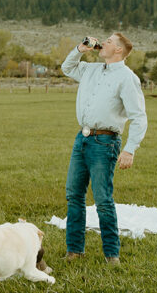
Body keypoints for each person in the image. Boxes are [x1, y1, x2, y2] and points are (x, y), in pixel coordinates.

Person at [61, 33, 147, 265]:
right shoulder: (92, 70)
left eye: (108, 41)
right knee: (74, 195)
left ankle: (112, 255)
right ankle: (74, 250)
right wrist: (80, 49)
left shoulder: (127, 78)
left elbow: (139, 117)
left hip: (105, 143)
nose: (103, 42)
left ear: (118, 50)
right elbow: (67, 67)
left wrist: (129, 150)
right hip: (83, 138)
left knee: (102, 199)